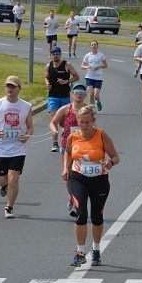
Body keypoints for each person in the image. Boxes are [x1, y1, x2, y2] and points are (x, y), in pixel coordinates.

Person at [62, 104, 119, 266]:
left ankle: (96, 250)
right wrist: (66, 168)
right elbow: (68, 153)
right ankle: (80, 252)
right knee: (81, 214)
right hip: (78, 178)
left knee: (96, 217)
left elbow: (115, 157)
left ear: (93, 121)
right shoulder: (73, 137)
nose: (84, 125)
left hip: (99, 180)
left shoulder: (101, 135)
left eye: (87, 122)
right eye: (81, 122)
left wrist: (110, 162)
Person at [0, 75, 34, 219]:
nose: (10, 89)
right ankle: (3, 186)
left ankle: (9, 207)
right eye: (8, 86)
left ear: (19, 89)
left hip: (18, 148)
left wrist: (27, 136)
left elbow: (30, 127)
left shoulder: (26, 106)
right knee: (2, 179)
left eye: (13, 86)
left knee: (14, 179)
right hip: (0, 148)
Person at [49, 83, 87, 217]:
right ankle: (72, 197)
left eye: (82, 92)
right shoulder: (66, 109)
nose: (79, 94)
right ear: (72, 94)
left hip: (83, 147)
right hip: (67, 147)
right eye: (77, 92)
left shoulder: (88, 111)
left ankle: (77, 200)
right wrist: (54, 130)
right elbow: (53, 122)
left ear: (85, 95)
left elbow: (93, 126)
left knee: (81, 174)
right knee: (69, 175)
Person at [45, 45, 80, 152]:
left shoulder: (67, 65)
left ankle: (65, 131)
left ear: (60, 54)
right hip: (53, 96)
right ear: (50, 55)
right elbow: (46, 77)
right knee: (54, 120)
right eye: (53, 54)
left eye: (57, 54)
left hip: (64, 96)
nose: (55, 56)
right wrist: (47, 84)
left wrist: (66, 81)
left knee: (63, 122)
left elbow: (76, 76)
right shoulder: (48, 66)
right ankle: (55, 143)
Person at [80, 40, 108, 111]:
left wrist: (99, 66)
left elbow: (105, 65)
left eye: (95, 45)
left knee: (96, 95)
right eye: (92, 45)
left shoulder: (101, 55)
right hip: (89, 77)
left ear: (97, 46)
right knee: (90, 94)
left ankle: (98, 101)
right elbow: (82, 66)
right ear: (90, 46)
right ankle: (92, 110)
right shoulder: (87, 55)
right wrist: (87, 67)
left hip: (98, 77)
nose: (93, 46)